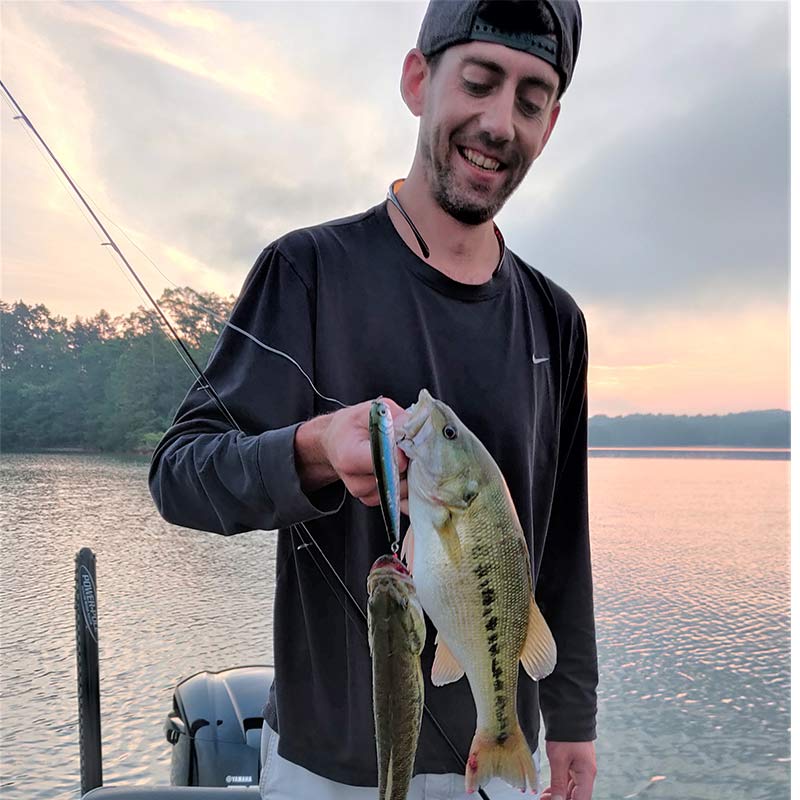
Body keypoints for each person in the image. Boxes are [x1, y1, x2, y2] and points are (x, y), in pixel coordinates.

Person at [149, 1, 598, 798]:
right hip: (329, 770)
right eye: (480, 82)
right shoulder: (307, 272)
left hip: (500, 762)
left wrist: (573, 723)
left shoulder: (555, 321)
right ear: (418, 80)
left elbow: (559, 541)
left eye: (530, 100)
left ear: (552, 123)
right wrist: (312, 449)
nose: (500, 122)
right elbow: (180, 475)